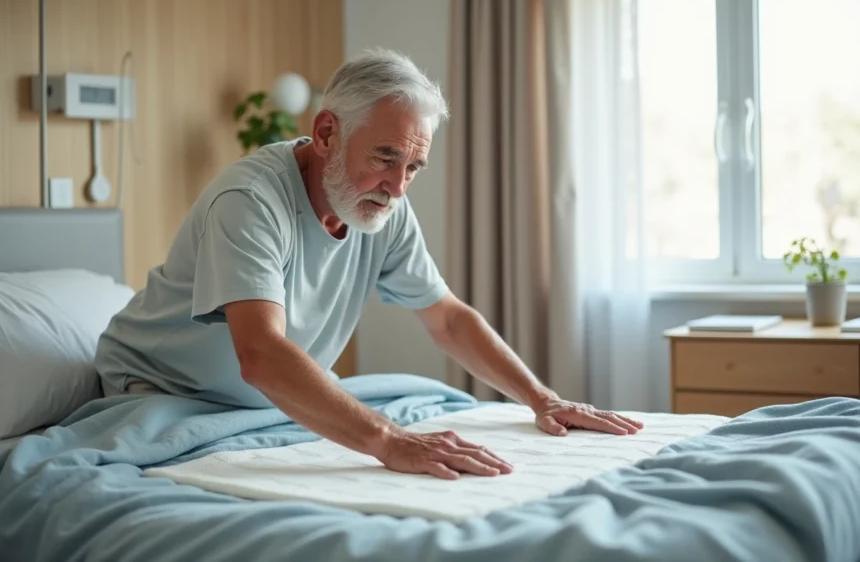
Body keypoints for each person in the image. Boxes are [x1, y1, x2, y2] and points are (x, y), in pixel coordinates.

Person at [94, 48, 643, 481]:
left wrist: (542, 398)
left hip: (264, 406)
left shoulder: (380, 208)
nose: (397, 186)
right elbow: (260, 354)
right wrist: (385, 439)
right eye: (385, 158)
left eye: (414, 167)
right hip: (165, 393)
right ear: (328, 132)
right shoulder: (251, 201)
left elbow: (447, 319)